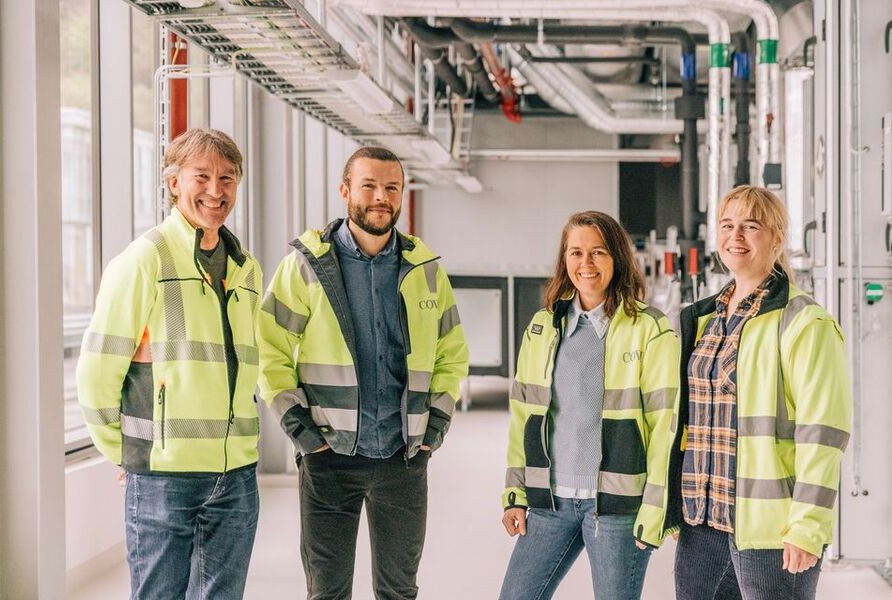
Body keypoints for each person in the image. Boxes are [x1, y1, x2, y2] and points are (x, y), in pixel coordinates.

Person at [258, 146, 469, 600]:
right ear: (345, 190)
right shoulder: (306, 267)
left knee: (399, 591)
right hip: (328, 456)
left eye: (391, 187)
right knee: (327, 591)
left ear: (402, 195)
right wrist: (302, 432)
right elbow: (269, 352)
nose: (380, 197)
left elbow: (451, 354)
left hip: (403, 456)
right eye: (369, 185)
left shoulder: (426, 270)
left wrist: (435, 425)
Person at [76, 128, 263, 599]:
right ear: (173, 182)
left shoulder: (247, 269)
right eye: (202, 176)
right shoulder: (145, 260)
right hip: (165, 477)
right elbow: (97, 372)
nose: (216, 190)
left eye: (227, 178)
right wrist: (127, 452)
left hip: (237, 473)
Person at [666, 185, 852, 600]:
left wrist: (808, 526)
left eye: (751, 227)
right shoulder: (702, 319)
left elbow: (823, 434)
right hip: (702, 523)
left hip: (770, 529)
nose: (736, 237)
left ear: (777, 238)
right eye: (728, 226)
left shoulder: (805, 323)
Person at [499, 210, 679, 600]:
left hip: (616, 507)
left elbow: (666, 426)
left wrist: (656, 508)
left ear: (617, 258)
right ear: (564, 260)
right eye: (576, 253)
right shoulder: (543, 327)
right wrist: (516, 492)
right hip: (550, 501)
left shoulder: (651, 329)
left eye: (598, 252)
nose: (586, 264)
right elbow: (524, 417)